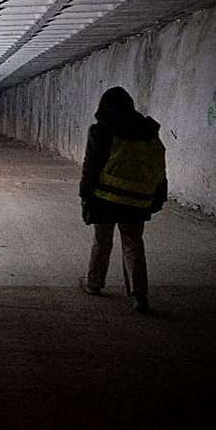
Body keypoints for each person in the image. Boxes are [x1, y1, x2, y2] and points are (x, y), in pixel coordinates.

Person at [78, 86, 168, 313]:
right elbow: (158, 164)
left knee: (102, 241)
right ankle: (139, 295)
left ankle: (94, 284)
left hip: (105, 198)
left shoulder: (100, 131)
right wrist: (157, 196)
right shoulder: (147, 131)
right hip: (136, 201)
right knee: (133, 244)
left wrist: (85, 196)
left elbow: (91, 167)